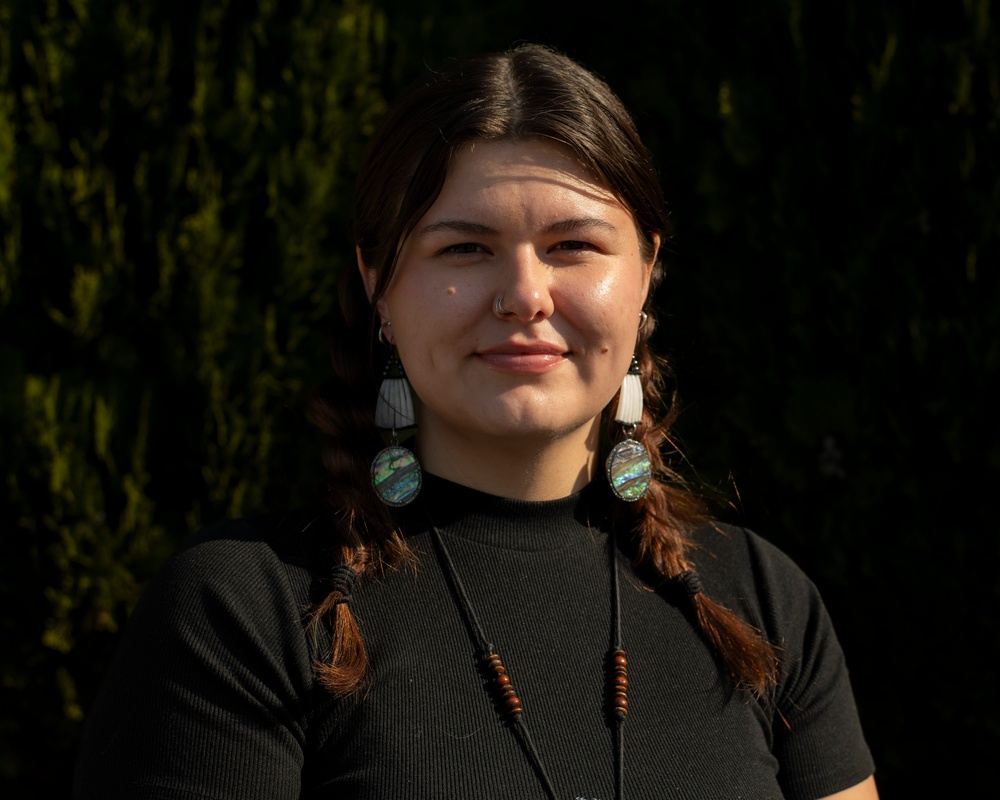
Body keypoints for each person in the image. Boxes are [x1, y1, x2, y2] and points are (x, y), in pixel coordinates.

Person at [73, 44, 878, 799]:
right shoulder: (247, 611)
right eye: (464, 249)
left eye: (573, 245)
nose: (524, 295)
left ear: (643, 277)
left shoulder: (761, 603)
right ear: (379, 283)